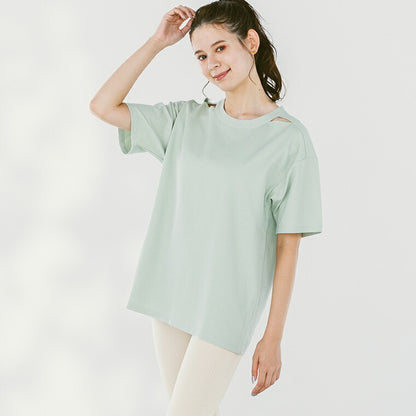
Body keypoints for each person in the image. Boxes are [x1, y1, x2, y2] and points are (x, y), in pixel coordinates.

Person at [90, 0, 323, 414]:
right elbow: (103, 106)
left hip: (227, 304)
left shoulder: (289, 141)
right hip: (169, 290)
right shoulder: (185, 121)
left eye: (220, 48)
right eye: (200, 55)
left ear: (250, 42)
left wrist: (273, 337)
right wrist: (157, 42)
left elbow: (288, 245)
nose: (211, 63)